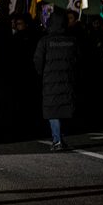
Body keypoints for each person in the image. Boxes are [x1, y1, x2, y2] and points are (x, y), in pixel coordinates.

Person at [34, 10, 79, 151]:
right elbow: (79, 60)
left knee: (52, 110)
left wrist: (42, 74)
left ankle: (57, 140)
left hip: (50, 81)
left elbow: (37, 61)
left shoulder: (45, 41)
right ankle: (61, 138)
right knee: (65, 108)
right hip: (68, 80)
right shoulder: (72, 41)